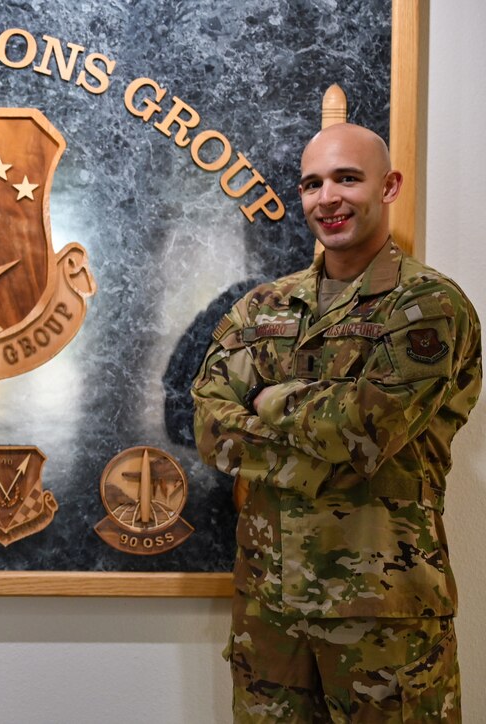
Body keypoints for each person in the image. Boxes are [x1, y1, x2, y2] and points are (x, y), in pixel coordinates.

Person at [192, 122, 481, 722]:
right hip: (270, 614)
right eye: (312, 183)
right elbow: (209, 428)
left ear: (389, 186)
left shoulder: (427, 306)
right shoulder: (264, 307)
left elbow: (366, 432)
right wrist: (319, 423)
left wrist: (267, 400)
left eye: (347, 178)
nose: (329, 198)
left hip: (383, 617)